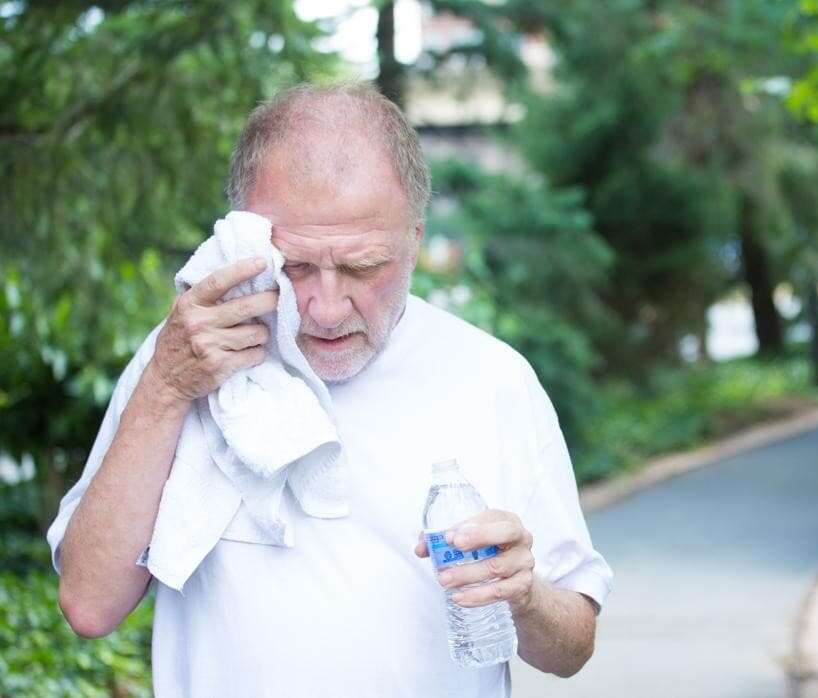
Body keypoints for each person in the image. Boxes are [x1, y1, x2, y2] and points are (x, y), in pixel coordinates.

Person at [46, 81, 612, 697]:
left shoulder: (492, 378)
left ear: (415, 241)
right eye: (293, 267)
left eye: (363, 267)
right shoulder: (187, 354)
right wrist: (166, 385)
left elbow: (572, 646)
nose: (324, 306)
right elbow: (88, 605)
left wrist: (523, 595)